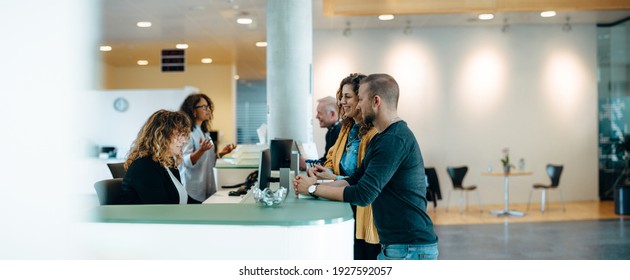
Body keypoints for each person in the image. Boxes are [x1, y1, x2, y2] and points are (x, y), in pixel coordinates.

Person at [294, 73, 438, 260]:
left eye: (360, 99)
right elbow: (354, 180)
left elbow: (363, 194)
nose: (358, 105)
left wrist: (313, 189)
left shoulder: (393, 140)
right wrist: (314, 186)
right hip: (399, 246)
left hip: (409, 248)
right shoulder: (381, 138)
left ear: (376, 101)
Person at [304, 73, 381, 260]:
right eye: (341, 96)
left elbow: (364, 181)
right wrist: (325, 171)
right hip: (345, 202)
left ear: (361, 99)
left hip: (365, 211)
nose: (342, 102)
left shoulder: (374, 134)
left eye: (348, 97)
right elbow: (332, 159)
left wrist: (329, 181)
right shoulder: (346, 128)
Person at [119, 110, 194, 204]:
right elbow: (161, 209)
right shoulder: (144, 167)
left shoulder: (168, 163)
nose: (183, 140)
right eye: (178, 135)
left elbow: (183, 199)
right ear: (161, 135)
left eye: (184, 135)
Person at [179, 93, 237, 203]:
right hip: (192, 190)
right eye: (204, 107)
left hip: (205, 187)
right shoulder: (187, 133)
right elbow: (185, 161)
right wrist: (201, 150)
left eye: (209, 107)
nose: (208, 110)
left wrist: (221, 154)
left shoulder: (204, 132)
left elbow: (207, 160)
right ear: (193, 110)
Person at [315, 96, 341, 164]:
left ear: (332, 114)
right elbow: (327, 158)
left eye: (319, 113)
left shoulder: (340, 132)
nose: (316, 117)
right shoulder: (330, 132)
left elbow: (332, 162)